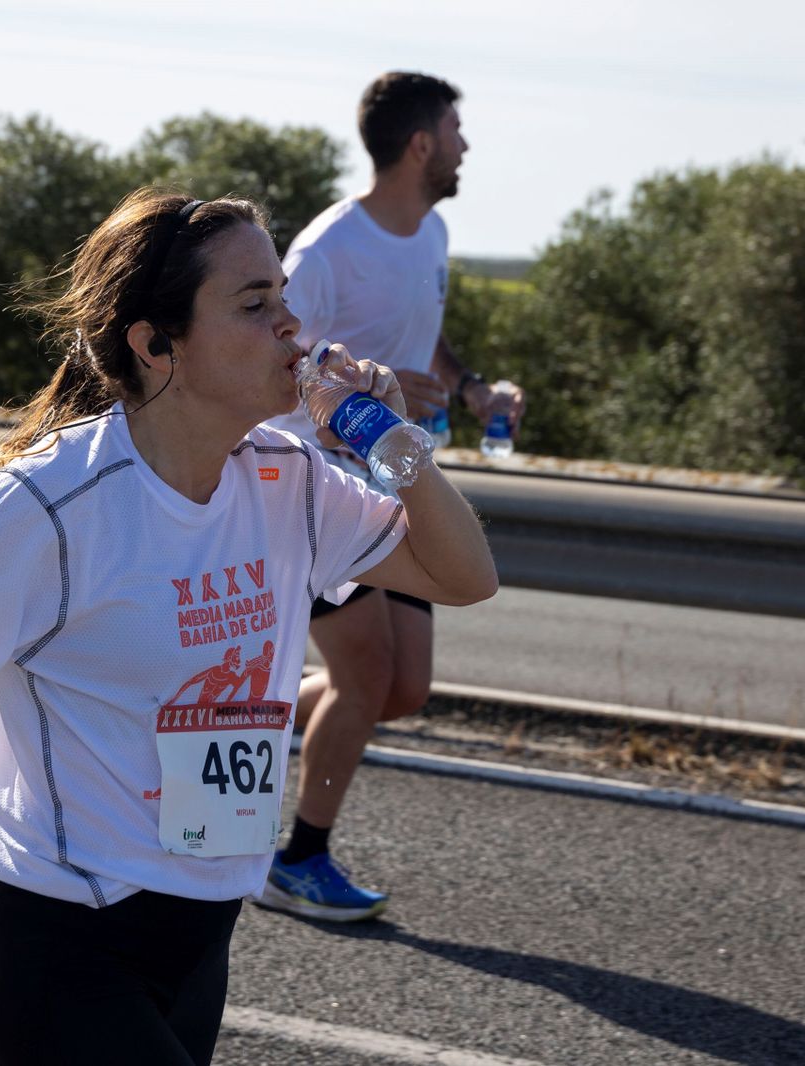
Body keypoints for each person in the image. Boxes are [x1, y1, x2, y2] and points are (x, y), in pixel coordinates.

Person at [0, 186, 497, 1065]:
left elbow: (465, 578)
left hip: (201, 933)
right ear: (156, 345)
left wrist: (389, 439)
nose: (293, 330)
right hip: (64, 938)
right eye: (256, 306)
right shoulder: (56, 502)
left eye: (286, 301)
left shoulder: (286, 477)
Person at [257, 71, 527, 922]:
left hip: (396, 486)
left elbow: (426, 332)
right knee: (366, 676)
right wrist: (359, 409)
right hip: (320, 488)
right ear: (420, 145)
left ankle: (215, 719)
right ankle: (298, 861)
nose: (464, 144)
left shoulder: (431, 231)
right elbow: (268, 370)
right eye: (455, 129)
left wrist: (470, 387)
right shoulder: (327, 252)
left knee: (402, 689)